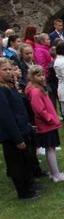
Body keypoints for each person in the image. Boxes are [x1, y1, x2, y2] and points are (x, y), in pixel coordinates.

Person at [0, 58, 40, 199]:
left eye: (10, 69)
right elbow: (6, 117)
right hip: (12, 135)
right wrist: (17, 138)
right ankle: (24, 191)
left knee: (26, 160)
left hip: (23, 129)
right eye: (5, 70)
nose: (9, 72)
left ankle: (30, 184)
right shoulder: (2, 91)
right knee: (17, 164)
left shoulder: (10, 87)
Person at [25, 65, 64, 182]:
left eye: (42, 75)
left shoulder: (38, 89)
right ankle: (56, 174)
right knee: (50, 149)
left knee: (51, 148)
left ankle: (54, 172)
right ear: (32, 77)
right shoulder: (35, 92)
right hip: (46, 125)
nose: (41, 78)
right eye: (38, 75)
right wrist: (50, 119)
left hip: (47, 124)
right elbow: (39, 109)